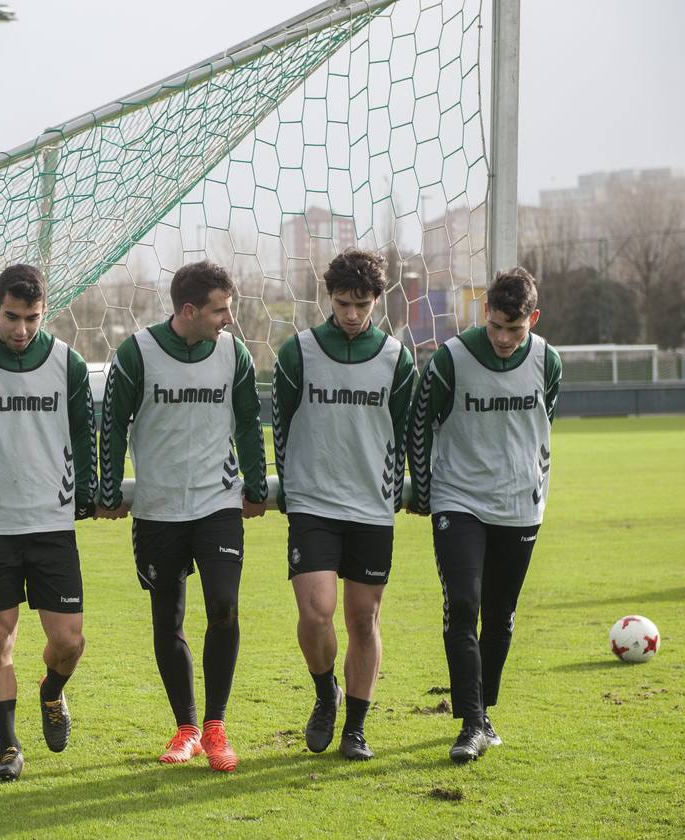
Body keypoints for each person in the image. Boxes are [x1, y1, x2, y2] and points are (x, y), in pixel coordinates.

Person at [97, 260, 268, 772]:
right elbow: (112, 424)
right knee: (167, 619)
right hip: (158, 511)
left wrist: (257, 485)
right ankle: (187, 727)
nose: (228, 320)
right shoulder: (138, 352)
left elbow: (247, 420)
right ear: (189, 310)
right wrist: (108, 490)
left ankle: (215, 726)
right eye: (220, 311)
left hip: (218, 505)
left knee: (223, 606)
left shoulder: (233, 353)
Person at [0, 263, 96, 782]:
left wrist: (87, 492)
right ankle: (8, 747)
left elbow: (82, 432)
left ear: (42, 311)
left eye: (31, 318)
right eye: (11, 317)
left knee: (69, 639)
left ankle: (51, 692)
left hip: (51, 523)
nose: (21, 329)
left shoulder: (66, 363)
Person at [407, 266, 561, 763]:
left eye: (514, 330)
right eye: (495, 325)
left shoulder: (548, 362)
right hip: (459, 501)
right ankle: (471, 723)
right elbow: (419, 423)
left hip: (520, 505)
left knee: (500, 616)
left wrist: (531, 481)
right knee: (464, 605)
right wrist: (428, 493)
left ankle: (483, 710)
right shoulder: (450, 359)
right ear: (485, 314)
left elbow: (542, 424)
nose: (502, 338)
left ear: (532, 320)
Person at [271, 248, 415, 761]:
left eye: (361, 304)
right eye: (342, 303)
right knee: (316, 613)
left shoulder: (397, 357)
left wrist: (408, 483)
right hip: (312, 503)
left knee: (362, 618)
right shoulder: (299, 351)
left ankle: (355, 727)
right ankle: (323, 692)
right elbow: (281, 423)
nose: (351, 314)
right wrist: (290, 485)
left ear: (377, 299)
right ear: (328, 297)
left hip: (372, 506)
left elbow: (405, 428)